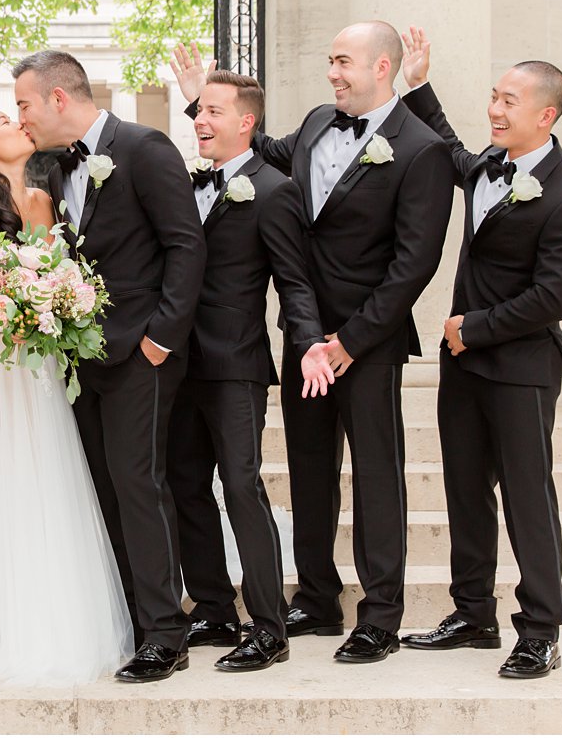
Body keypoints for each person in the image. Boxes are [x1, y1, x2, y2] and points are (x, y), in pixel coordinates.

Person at [171, 21, 454, 665]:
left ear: (383, 67)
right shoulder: (321, 122)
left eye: (343, 62)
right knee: (308, 468)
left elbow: (414, 265)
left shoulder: (422, 149)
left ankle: (380, 615)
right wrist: (201, 106)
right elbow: (261, 153)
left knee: (376, 475)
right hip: (303, 339)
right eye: (330, 60)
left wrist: (350, 340)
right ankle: (318, 599)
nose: (332, 72)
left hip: (367, 340)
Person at [396, 29, 562, 679]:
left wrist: (471, 328)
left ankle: (541, 630)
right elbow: (451, 153)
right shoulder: (487, 163)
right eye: (493, 96)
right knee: (464, 490)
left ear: (545, 114)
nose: (495, 109)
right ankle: (472, 613)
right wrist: (420, 85)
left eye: (509, 100)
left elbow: (551, 299)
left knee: (527, 498)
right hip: (464, 369)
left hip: (520, 371)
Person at [12, 50, 205, 683]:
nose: (21, 118)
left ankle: (165, 633)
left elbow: (185, 244)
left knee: (139, 486)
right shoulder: (46, 166)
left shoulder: (145, 148)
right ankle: (128, 619)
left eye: (25, 105)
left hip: (140, 355)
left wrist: (160, 339)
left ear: (59, 99)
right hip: (82, 357)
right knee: (104, 491)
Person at [0, 107, 135, 686]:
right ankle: (13, 622)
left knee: (55, 474)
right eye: (4, 119)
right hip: (3, 365)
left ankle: (66, 617)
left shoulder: (41, 197)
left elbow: (59, 272)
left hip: (44, 361)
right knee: (14, 475)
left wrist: (54, 303)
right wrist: (3, 320)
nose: (18, 122)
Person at [169, 70, 334, 673]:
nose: (200, 121)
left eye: (213, 111)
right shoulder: (186, 183)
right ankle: (213, 605)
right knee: (184, 483)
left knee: (240, 485)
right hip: (177, 363)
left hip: (235, 363)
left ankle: (268, 626)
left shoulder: (273, 189)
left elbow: (294, 279)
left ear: (247, 122)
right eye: (197, 111)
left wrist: (310, 340)